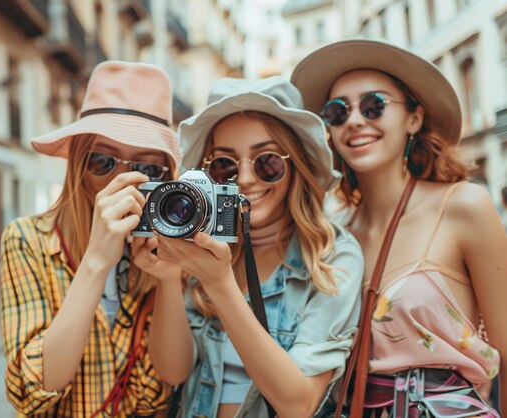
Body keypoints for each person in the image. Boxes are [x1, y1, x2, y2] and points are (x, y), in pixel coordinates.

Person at [292, 38, 507, 417]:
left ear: (414, 118)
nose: (355, 120)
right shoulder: (332, 232)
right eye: (337, 111)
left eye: (374, 105)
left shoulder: (463, 206)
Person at [133, 76, 364, 417]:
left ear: (295, 164)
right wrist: (168, 278)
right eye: (224, 165)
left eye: (266, 161)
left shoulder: (333, 257)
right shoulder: (199, 242)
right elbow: (174, 372)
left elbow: (299, 404)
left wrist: (219, 284)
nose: (244, 178)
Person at [0, 61, 182, 417]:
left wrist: (170, 280)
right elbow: (33, 388)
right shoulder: (27, 240)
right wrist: (96, 262)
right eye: (103, 161)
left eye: (146, 169)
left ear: (165, 176)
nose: (124, 181)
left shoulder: (166, 244)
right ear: (79, 165)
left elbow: (167, 381)